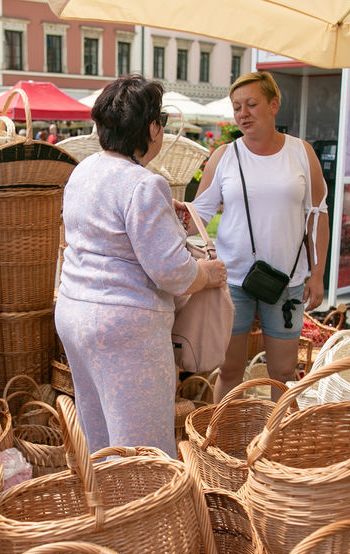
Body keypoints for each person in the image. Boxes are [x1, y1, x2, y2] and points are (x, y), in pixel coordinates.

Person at [55, 74, 227, 456]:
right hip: (124, 326)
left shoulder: (82, 170)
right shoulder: (143, 184)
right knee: (142, 446)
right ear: (152, 128)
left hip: (74, 312)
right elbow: (173, 272)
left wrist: (164, 219)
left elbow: (101, 232)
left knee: (98, 430)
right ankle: (138, 511)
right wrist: (207, 274)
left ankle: (106, 503)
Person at [191, 70, 330, 400]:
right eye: (237, 106)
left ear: (273, 105)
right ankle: (220, 440)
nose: (243, 113)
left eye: (251, 104)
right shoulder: (224, 156)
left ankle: (277, 444)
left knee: (282, 372)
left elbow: (318, 215)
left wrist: (318, 274)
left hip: (288, 282)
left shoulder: (301, 153)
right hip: (232, 281)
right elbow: (198, 214)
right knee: (229, 369)